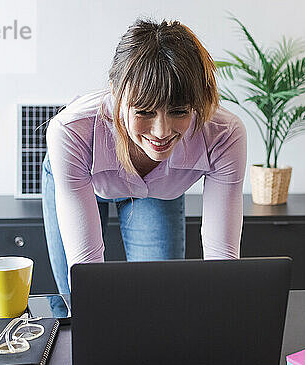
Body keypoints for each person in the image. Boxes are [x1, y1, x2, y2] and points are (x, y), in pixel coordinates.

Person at [42, 18, 247, 294]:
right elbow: (86, 267)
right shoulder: (71, 131)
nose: (161, 132)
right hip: (83, 180)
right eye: (144, 112)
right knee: (75, 298)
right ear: (115, 94)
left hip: (156, 192)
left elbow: (222, 261)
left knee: (159, 297)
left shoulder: (223, 134)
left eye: (179, 111)